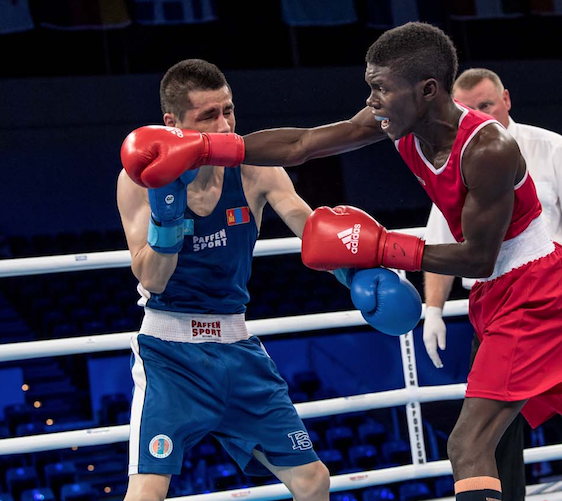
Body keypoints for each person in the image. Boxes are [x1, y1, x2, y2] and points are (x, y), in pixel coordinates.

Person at [120, 23, 562, 501]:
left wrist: (381, 249)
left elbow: (478, 254)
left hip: (531, 289)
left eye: (380, 88)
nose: (372, 99)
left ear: (425, 91)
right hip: (506, 291)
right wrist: (208, 148)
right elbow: (307, 144)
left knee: (468, 443)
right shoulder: (397, 121)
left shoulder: (489, 151)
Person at [115, 58, 417, 501]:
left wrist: (358, 276)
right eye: (208, 116)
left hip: (237, 348)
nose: (224, 126)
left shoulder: (256, 169)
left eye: (228, 111)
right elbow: (153, 280)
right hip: (170, 354)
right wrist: (168, 220)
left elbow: (309, 229)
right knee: (147, 492)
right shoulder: (140, 180)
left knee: (313, 481)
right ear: (172, 123)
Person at [422, 68, 562, 501]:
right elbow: (439, 242)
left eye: (486, 105)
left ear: (506, 99)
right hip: (492, 308)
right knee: (491, 436)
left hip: (554, 299)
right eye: (468, 109)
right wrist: (432, 309)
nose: (478, 115)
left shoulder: (550, 147)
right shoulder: (451, 160)